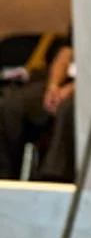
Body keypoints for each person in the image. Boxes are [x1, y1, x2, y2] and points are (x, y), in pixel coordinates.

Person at [0, 27, 77, 183]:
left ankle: (53, 178)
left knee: (67, 109)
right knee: (10, 105)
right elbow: (66, 52)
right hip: (65, 81)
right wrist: (53, 86)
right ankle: (5, 177)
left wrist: (72, 89)